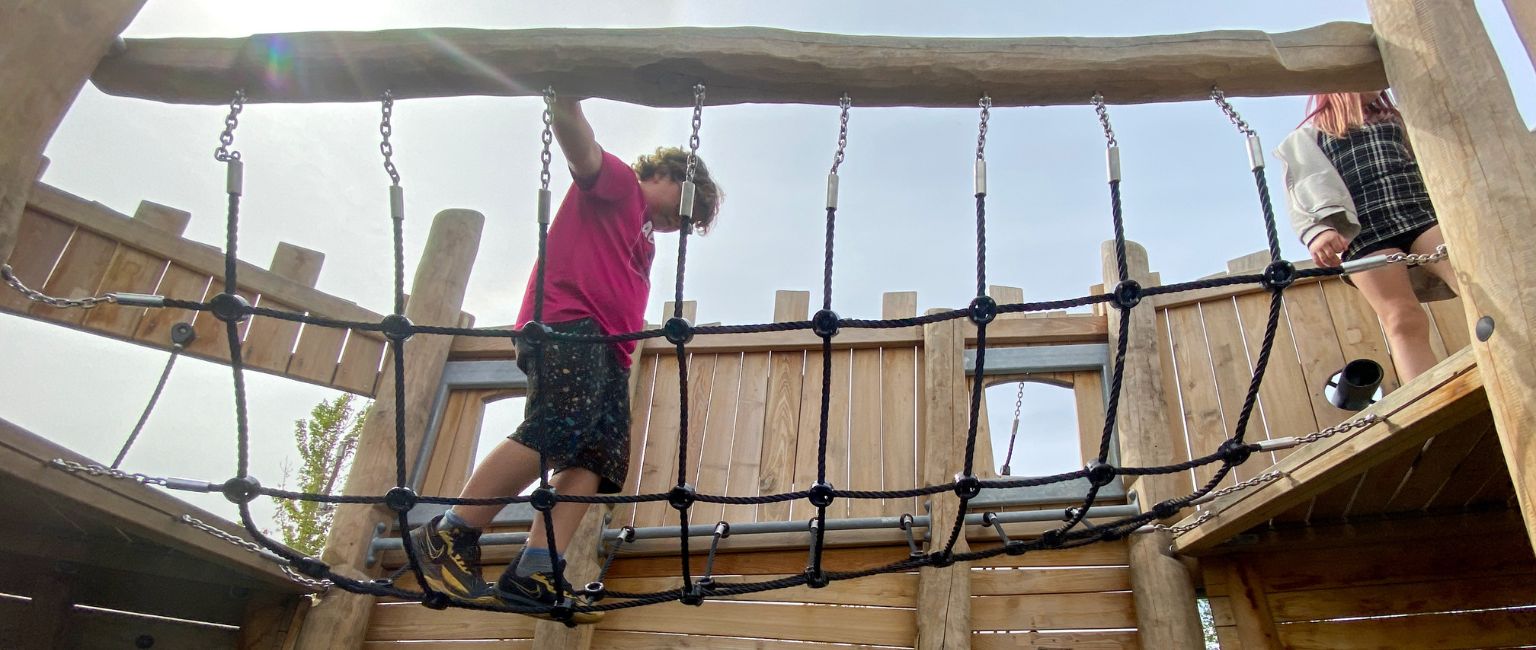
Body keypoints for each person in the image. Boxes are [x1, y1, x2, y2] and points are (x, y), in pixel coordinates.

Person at [408, 95, 723, 622]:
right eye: (686, 204)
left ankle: (535, 569)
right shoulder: (620, 185)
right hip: (566, 324)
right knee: (557, 426)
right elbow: (582, 150)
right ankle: (450, 534)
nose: (681, 222)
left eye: (689, 223)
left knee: (598, 461)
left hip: (609, 349)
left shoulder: (647, 241)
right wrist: (567, 101)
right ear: (665, 173)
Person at [1275, 90, 1457, 382]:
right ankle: (1428, 394)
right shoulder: (1308, 137)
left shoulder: (1400, 118)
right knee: (1401, 319)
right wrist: (1317, 231)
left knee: (1473, 277)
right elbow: (1301, 193)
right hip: (1364, 234)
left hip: (1420, 214)